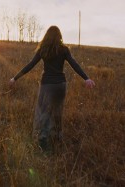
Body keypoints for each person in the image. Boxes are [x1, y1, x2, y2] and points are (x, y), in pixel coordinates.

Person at [9, 25, 95, 153]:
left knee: (43, 113)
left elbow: (30, 65)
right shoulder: (64, 49)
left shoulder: (43, 49)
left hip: (47, 85)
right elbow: (74, 64)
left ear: (47, 36)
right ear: (59, 36)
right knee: (57, 112)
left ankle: (44, 142)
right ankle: (57, 139)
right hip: (61, 85)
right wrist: (86, 78)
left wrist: (15, 78)